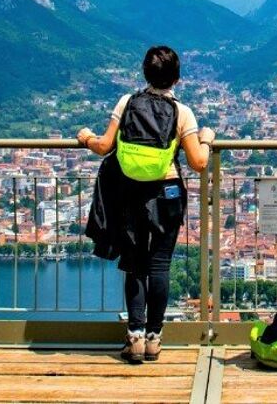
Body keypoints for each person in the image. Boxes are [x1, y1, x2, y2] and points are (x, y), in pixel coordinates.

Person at [77, 46, 216, 364]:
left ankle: (135, 337)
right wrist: (206, 139)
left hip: (130, 193)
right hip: (167, 192)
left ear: (144, 73)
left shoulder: (127, 103)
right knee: (160, 265)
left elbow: (104, 146)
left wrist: (85, 138)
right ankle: (154, 338)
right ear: (177, 78)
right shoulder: (182, 112)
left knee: (135, 265)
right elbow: (198, 162)